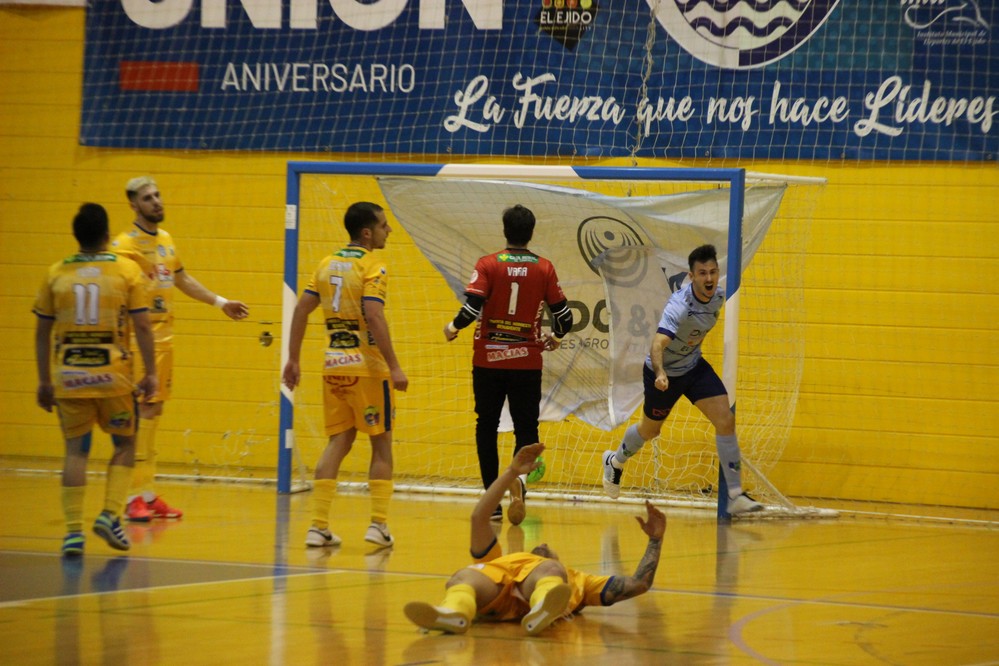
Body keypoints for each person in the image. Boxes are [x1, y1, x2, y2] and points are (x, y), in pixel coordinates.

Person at [404, 442, 666, 636]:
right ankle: (454, 614)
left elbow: (637, 584)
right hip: (498, 594)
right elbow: (479, 518)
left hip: (542, 591)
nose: (543, 545)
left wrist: (655, 540)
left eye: (547, 549)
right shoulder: (501, 562)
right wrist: (511, 472)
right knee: (464, 576)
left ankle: (542, 606)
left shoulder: (578, 580)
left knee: (550, 570)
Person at [111, 176, 249, 522]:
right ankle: (131, 498)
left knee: (153, 419)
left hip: (165, 342)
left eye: (158, 195)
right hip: (138, 344)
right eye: (147, 198)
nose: (156, 202)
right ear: (133, 205)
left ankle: (146, 493)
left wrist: (221, 302)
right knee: (141, 420)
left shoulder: (167, 240)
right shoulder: (123, 246)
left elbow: (182, 279)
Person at [34, 203, 158, 556]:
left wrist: (44, 381)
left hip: (69, 377)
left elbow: (42, 332)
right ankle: (109, 514)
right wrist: (150, 373)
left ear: (77, 236)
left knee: (75, 451)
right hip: (114, 379)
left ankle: (73, 532)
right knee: (124, 445)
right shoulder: (126, 271)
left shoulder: (55, 274)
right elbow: (143, 325)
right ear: (107, 235)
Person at [602, 244, 763, 515]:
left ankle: (735, 495)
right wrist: (661, 373)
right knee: (650, 431)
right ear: (692, 276)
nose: (709, 278)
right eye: (702, 273)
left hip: (694, 367)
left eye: (713, 272)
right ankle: (615, 461)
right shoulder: (679, 306)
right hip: (663, 373)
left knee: (725, 419)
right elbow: (656, 345)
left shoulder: (719, 296)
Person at [283, 201, 408, 550]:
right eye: (384, 225)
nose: (389, 230)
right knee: (381, 444)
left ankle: (317, 526)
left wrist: (292, 359)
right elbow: (374, 315)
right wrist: (394, 365)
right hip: (367, 370)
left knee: (338, 442)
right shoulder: (373, 266)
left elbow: (302, 310)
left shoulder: (324, 265)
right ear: (367, 232)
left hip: (334, 367)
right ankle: (378, 525)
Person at [443, 204, 573, 525]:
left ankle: (493, 500)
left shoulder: (488, 264)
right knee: (526, 428)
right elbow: (565, 318)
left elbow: (472, 307)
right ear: (530, 232)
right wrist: (555, 336)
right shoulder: (544, 268)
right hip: (526, 360)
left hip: (488, 358)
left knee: (486, 426)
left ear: (505, 230)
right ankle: (520, 487)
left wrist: (453, 327)